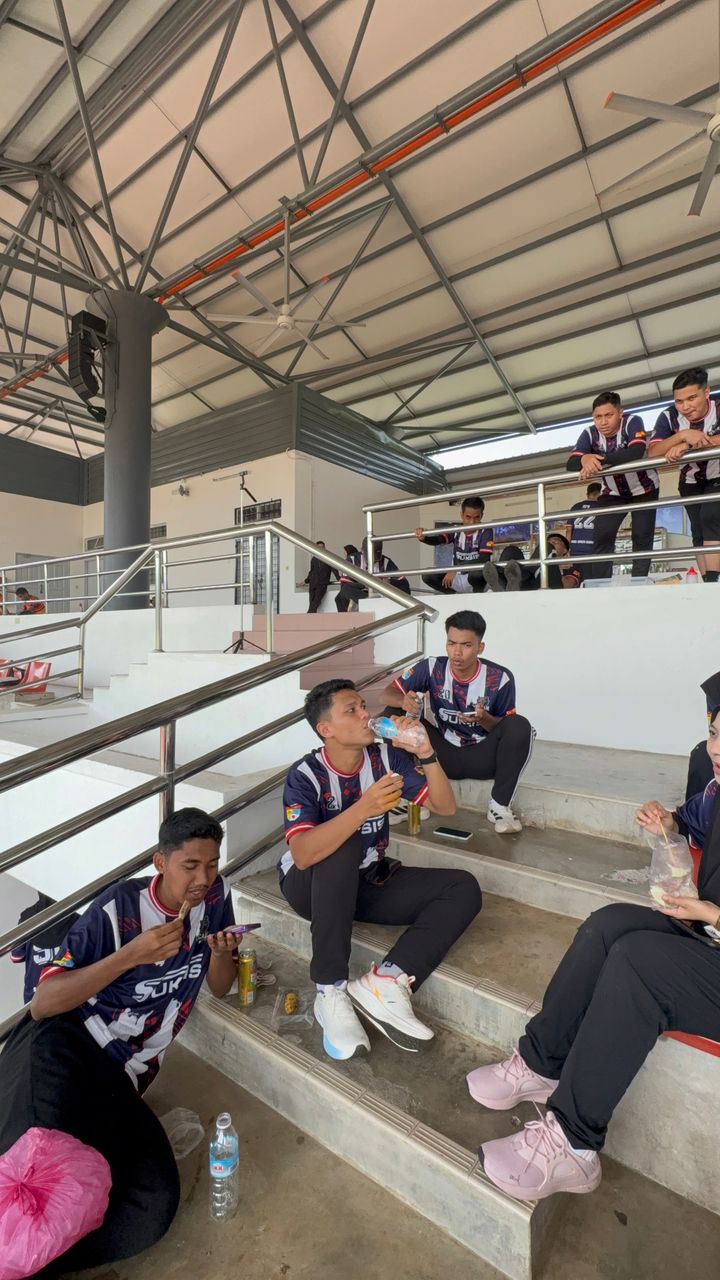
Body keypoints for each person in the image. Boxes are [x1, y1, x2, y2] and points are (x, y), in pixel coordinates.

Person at [466, 709, 720, 1202]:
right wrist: (664, 820)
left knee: (641, 962)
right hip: (708, 934)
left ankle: (575, 1146)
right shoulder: (715, 791)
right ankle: (541, 1062)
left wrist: (711, 913)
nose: (715, 748)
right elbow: (687, 822)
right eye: (713, 733)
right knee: (608, 926)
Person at [0, 808, 238, 1274]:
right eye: (190, 866)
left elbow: (221, 985)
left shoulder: (216, 899)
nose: (202, 879)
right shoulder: (119, 908)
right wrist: (130, 956)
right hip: (68, 1043)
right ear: (161, 862)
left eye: (211, 865)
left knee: (151, 1206)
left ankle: (45, 1254)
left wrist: (221, 953)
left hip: (123, 1074)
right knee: (31, 1168)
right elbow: (44, 1004)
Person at [280, 678, 480, 1060]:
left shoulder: (386, 758)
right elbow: (303, 854)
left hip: (366, 880)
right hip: (310, 887)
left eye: (363, 706)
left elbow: (445, 807)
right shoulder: (305, 775)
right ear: (326, 729)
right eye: (351, 710)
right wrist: (363, 809)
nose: (365, 715)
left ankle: (386, 981)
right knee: (344, 843)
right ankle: (329, 989)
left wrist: (426, 753)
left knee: (462, 888)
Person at [384, 610, 534, 834]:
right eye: (451, 643)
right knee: (392, 714)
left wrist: (484, 718)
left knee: (520, 725)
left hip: (484, 758)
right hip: (441, 754)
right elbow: (386, 694)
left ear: (480, 647)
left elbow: (505, 728)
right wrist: (403, 701)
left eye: (466, 645)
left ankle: (499, 806)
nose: (457, 652)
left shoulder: (499, 678)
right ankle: (411, 799)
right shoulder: (432, 668)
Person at [567, 391, 659, 580]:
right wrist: (584, 458)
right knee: (602, 535)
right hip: (612, 492)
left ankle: (638, 581)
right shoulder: (589, 433)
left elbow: (636, 451)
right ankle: (600, 582)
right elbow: (571, 463)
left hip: (645, 488)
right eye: (598, 417)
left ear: (620, 413)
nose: (603, 422)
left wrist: (596, 460)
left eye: (608, 415)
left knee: (642, 535)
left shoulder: (633, 421)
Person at [648, 366, 720, 583]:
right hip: (689, 481)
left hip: (717, 475)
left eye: (691, 398)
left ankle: (713, 582)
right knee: (697, 530)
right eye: (679, 401)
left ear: (706, 392)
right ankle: (707, 582)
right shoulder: (669, 416)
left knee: (711, 517)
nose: (685, 407)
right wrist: (683, 435)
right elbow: (653, 452)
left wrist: (687, 446)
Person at [10, 892, 80, 1002]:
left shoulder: (28, 918)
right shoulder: (80, 914)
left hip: (35, 996)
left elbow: (16, 956)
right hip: (68, 993)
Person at [415, 495, 492, 594]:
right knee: (427, 575)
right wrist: (424, 538)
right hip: (457, 577)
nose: (472, 522)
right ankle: (454, 595)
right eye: (468, 517)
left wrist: (455, 569)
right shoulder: (456, 530)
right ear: (461, 515)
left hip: (475, 579)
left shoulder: (486, 531)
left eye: (476, 517)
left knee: (477, 572)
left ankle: (477, 596)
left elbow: (484, 559)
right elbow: (438, 540)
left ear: (482, 515)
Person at [561, 482, 602, 588]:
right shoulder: (601, 507)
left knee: (575, 578)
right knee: (591, 581)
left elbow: (569, 530)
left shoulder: (576, 507)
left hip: (575, 550)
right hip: (591, 550)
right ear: (600, 494)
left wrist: (567, 549)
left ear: (587, 494)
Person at [305, 540, 338, 613]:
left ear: (325, 548)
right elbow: (312, 571)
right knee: (312, 602)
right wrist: (306, 580)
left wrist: (338, 578)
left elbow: (334, 569)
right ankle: (310, 616)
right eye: (319, 547)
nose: (321, 549)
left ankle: (308, 615)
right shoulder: (314, 559)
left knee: (316, 601)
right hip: (313, 583)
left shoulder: (329, 558)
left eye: (322, 547)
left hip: (322, 583)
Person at [335, 543, 363, 612]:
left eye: (345, 551)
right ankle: (344, 615)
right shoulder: (350, 560)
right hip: (347, 585)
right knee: (338, 599)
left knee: (339, 599)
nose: (344, 553)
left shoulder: (353, 560)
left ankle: (344, 615)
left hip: (351, 585)